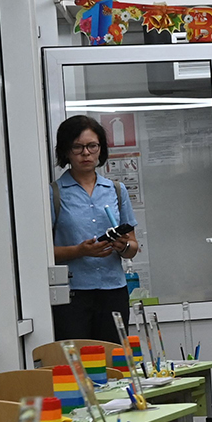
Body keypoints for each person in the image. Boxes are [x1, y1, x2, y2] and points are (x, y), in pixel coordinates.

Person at [50, 114, 139, 343]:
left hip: (114, 290)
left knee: (114, 357)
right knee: (78, 360)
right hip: (72, 294)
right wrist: (79, 251)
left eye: (92, 146)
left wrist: (123, 246)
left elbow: (133, 248)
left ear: (101, 149)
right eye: (77, 147)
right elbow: (42, 254)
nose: (86, 153)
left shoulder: (116, 190)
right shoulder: (54, 193)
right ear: (66, 151)